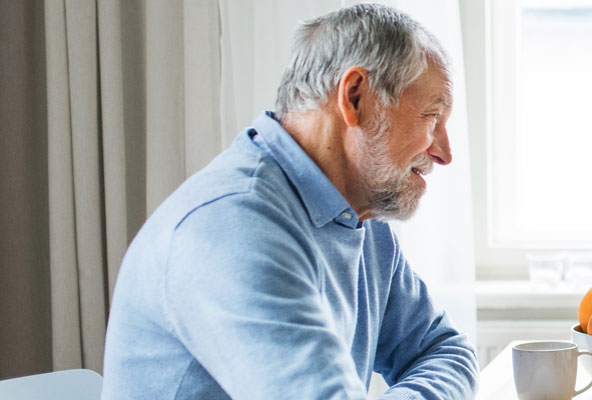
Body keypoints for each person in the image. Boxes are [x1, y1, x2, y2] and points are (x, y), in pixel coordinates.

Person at [101, 4, 475, 398]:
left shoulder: (359, 216)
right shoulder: (235, 227)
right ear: (355, 96)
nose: (444, 153)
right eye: (431, 117)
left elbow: (443, 350)